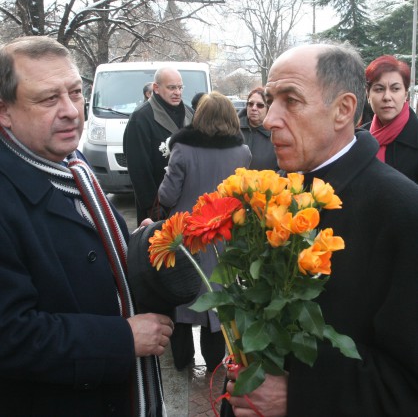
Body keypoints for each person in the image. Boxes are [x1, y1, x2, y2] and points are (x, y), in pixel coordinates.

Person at [0, 36, 200, 417]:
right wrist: (121, 339)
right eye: (47, 99)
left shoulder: (74, 167)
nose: (71, 111)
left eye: (75, 93)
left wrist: (137, 247)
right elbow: (10, 336)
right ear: (4, 111)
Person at [221, 43, 418, 416]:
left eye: (290, 101)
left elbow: (407, 386)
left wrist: (300, 396)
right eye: (269, 98)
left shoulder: (402, 212)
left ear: (343, 110)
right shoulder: (273, 193)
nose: (269, 119)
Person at [158, 92, 252, 372]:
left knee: (181, 299)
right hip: (222, 237)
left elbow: (167, 195)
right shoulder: (242, 153)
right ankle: (214, 363)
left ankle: (183, 361)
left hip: (185, 235)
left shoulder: (183, 150)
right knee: (217, 299)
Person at [123, 67, 194, 225]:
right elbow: (138, 168)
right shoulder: (141, 118)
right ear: (156, 88)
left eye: (180, 87)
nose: (177, 92)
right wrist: (152, 207)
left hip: (187, 204)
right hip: (156, 207)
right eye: (171, 87)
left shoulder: (191, 114)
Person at [361, 55, 418, 183]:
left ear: (405, 94)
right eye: (379, 89)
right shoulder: (358, 138)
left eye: (395, 89)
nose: (387, 97)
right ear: (368, 94)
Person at [239, 87, 278, 170]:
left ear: (268, 108)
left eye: (260, 105)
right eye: (250, 104)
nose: (254, 108)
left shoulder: (276, 135)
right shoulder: (233, 130)